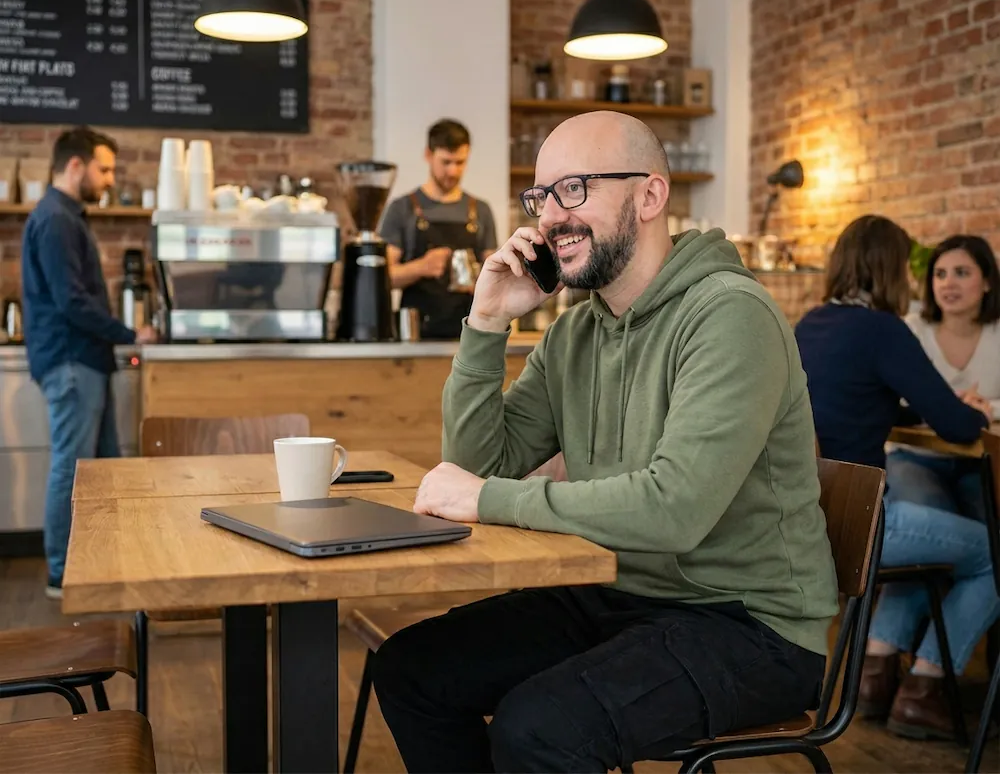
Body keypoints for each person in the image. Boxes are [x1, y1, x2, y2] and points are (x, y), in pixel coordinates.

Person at [371, 111, 839, 773]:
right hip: (616, 591)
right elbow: (477, 467)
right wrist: (484, 323)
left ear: (649, 196)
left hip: (748, 626)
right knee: (411, 671)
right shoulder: (575, 334)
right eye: (541, 197)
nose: (551, 216)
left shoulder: (732, 316)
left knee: (537, 729)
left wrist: (488, 498)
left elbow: (674, 508)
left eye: (575, 189)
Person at [794, 215, 1000, 740]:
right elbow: (956, 424)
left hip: (817, 521)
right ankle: (926, 684)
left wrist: (924, 411)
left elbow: (857, 402)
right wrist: (976, 411)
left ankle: (877, 676)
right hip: (869, 526)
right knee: (994, 554)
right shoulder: (883, 330)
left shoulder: (812, 322)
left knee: (934, 556)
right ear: (890, 267)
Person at [20, 126, 157, 599]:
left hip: (83, 361)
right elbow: (71, 302)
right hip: (72, 361)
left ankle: (97, 565)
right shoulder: (57, 219)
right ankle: (62, 572)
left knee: (103, 469)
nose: (109, 179)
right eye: (104, 169)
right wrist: (129, 334)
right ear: (75, 165)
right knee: (75, 468)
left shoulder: (65, 217)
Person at [886, 234, 1000, 525]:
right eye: (940, 274)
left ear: (987, 282)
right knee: (939, 524)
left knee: (989, 530)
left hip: (978, 460)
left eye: (961, 273)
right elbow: (893, 399)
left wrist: (985, 408)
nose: (948, 283)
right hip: (914, 458)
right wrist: (953, 406)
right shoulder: (911, 330)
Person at [380, 118, 497, 339]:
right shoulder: (402, 208)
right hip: (415, 334)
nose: (452, 171)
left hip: (470, 334)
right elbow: (382, 278)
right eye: (445, 162)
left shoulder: (480, 210)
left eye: (460, 162)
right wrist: (421, 267)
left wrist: (476, 278)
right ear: (428, 155)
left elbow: (497, 276)